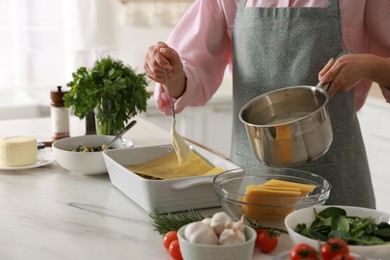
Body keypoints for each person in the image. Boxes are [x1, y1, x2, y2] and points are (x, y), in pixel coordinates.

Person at [144, 0, 390, 209]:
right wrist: (171, 73)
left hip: (339, 182)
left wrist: (370, 65)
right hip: (253, 182)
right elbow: (191, 75)